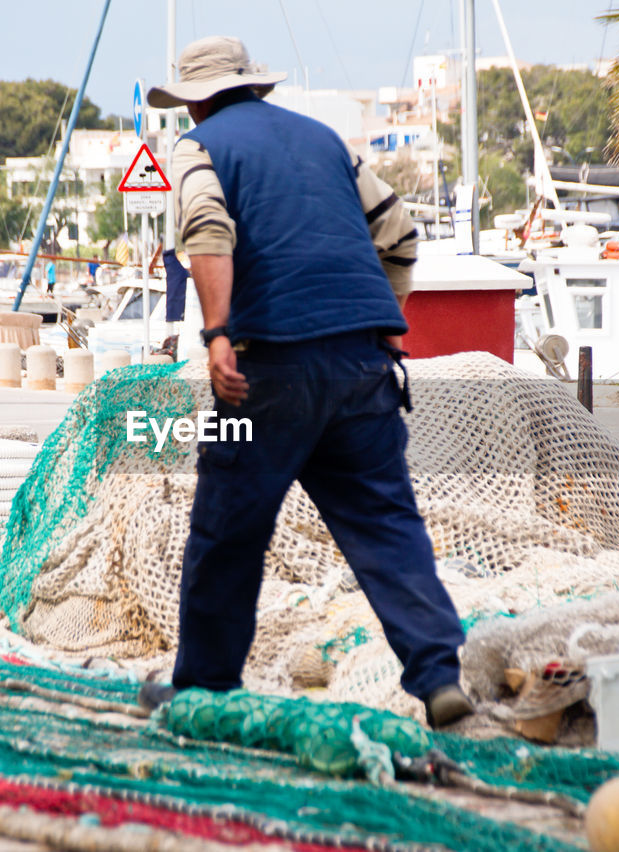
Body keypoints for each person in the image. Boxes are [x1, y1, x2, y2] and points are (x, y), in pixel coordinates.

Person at [139, 36, 473, 728]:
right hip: (364, 366)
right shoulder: (325, 141)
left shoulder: (200, 146)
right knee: (385, 524)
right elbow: (401, 236)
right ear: (256, 86)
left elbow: (205, 225)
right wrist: (381, 323)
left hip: (272, 366)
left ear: (195, 100)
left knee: (227, 527)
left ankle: (203, 689)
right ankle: (439, 677)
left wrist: (217, 335)